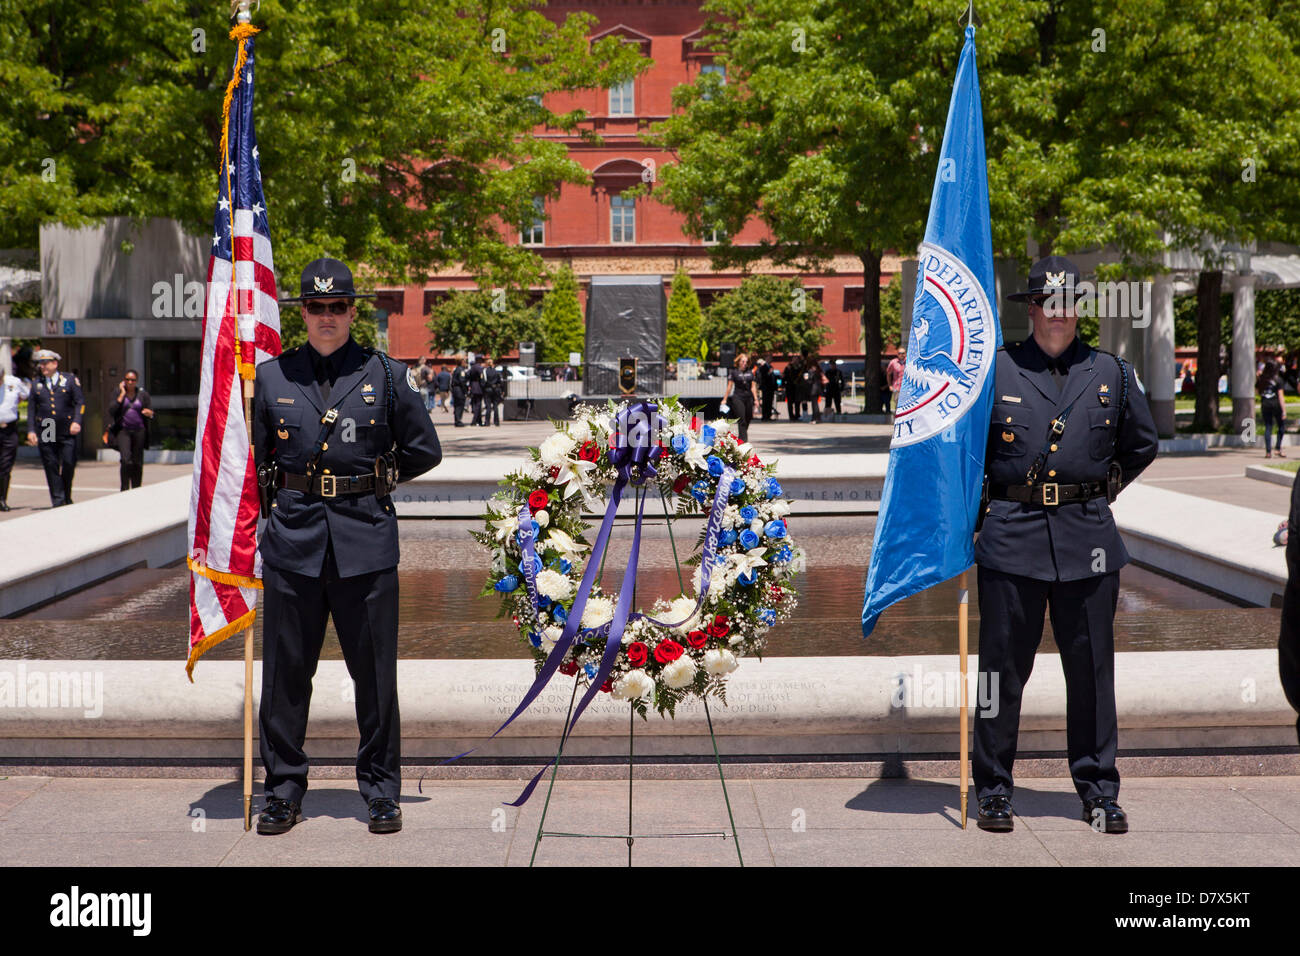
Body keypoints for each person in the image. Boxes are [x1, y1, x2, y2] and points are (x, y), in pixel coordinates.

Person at [254, 257, 442, 836]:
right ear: (302, 313)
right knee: (286, 676)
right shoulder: (271, 377)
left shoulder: (387, 374)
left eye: (338, 307)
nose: (327, 317)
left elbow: (424, 448)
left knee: (375, 678)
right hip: (294, 542)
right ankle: (283, 790)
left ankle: (382, 791)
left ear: (353, 311)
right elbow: (256, 463)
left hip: (365, 540)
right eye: (317, 307)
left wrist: (376, 479)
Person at [974, 256, 1158, 835]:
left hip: (1088, 542)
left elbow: (1142, 445)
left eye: (1067, 304)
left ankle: (1099, 791)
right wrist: (976, 520)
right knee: (1000, 675)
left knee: (1093, 674)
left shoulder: (1112, 373)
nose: (1057, 315)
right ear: (1031, 309)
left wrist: (1095, 492)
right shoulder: (995, 372)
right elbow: (966, 458)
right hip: (1012, 538)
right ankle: (994, 790)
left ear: (1079, 311)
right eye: (1047, 304)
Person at [25, 348, 84, 507]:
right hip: (47, 426)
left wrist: (77, 421)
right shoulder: (37, 383)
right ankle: (58, 500)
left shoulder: (70, 379)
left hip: (67, 426)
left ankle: (66, 493)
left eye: (45, 363)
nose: (42, 367)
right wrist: (31, 430)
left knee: (68, 461)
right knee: (51, 464)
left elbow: (80, 403)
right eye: (40, 364)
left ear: (55, 363)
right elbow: (31, 408)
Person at [106, 370, 153, 490]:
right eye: (127, 379)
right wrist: (121, 394)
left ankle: (137, 488)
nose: (130, 382)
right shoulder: (117, 393)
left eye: (133, 380)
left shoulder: (143, 394)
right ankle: (125, 488)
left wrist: (149, 413)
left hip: (139, 431)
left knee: (137, 462)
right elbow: (111, 410)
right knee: (126, 460)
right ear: (124, 380)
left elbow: (151, 412)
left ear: (136, 381)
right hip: (123, 431)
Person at [0, 365, 31, 511]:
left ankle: (2, 499)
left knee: (5, 466)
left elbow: (26, 395)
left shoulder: (14, 382)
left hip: (9, 429)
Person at [723, 352, 758, 442]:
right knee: (741, 418)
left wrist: (756, 399)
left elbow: (753, 387)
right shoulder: (734, 372)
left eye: (746, 362)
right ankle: (743, 440)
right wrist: (725, 399)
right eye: (742, 361)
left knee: (748, 417)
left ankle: (741, 436)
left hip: (748, 397)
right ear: (739, 362)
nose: (744, 363)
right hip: (738, 397)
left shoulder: (750, 373)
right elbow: (729, 386)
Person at [1259, 361, 1286, 459]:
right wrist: (1284, 410)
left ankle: (1268, 452)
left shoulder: (1262, 379)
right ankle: (1278, 448)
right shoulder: (1278, 380)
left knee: (1268, 427)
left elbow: (1258, 391)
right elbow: (1280, 396)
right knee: (1281, 426)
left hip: (1265, 405)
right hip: (1276, 405)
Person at [484, 356, 503, 427]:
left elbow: (483, 382)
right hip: (495, 389)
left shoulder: (485, 371)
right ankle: (496, 422)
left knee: (488, 406)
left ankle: (487, 422)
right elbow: (500, 381)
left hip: (488, 389)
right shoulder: (496, 371)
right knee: (495, 406)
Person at [804, 356, 824, 424]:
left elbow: (809, 380)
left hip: (813, 389)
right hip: (818, 389)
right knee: (816, 404)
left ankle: (815, 418)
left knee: (814, 405)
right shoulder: (818, 370)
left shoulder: (811, 371)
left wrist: (806, 379)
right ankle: (817, 418)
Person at [467, 354, 486, 426]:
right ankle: (474, 421)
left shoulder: (472, 367)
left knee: (475, 404)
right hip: (478, 388)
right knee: (478, 405)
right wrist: (483, 386)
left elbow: (468, 376)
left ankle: (479, 421)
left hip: (473, 387)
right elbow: (482, 378)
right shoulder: (479, 368)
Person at [784, 354, 803, 421]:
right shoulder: (788, 367)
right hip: (790, 387)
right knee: (790, 402)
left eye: (797, 359)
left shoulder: (800, 368)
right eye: (794, 359)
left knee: (797, 402)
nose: (795, 361)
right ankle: (791, 416)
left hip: (797, 387)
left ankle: (797, 415)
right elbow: (785, 377)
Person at [450, 357, 468, 427]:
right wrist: (465, 391)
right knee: (460, 405)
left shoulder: (456, 369)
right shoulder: (461, 370)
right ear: (461, 362)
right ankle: (458, 420)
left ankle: (457, 420)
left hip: (455, 389)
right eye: (464, 362)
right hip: (459, 389)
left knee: (457, 405)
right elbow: (462, 381)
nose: (465, 363)